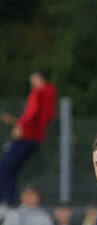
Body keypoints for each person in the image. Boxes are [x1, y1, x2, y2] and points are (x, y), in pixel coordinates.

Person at [0, 69, 57, 207]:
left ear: (39, 78)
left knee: (6, 167)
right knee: (11, 167)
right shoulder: (48, 93)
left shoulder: (40, 92)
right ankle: (9, 199)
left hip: (28, 136)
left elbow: (32, 114)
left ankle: (7, 200)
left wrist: (20, 126)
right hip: (33, 137)